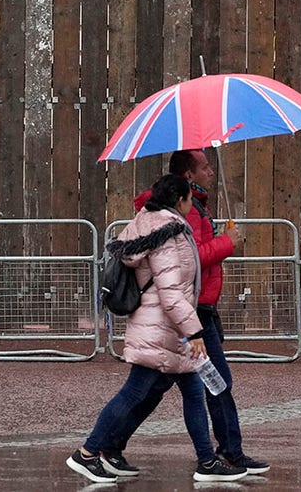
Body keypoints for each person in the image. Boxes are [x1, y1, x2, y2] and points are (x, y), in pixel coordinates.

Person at [65, 174, 248, 484]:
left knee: (192, 393)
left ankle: (206, 460)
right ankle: (86, 453)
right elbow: (171, 292)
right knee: (133, 393)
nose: (192, 205)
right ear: (180, 200)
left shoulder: (148, 223)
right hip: (163, 331)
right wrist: (196, 332)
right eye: (190, 199)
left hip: (163, 329)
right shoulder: (168, 233)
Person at [99, 149, 270, 477]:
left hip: (190, 311)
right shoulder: (182, 213)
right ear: (187, 178)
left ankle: (111, 445)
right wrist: (227, 243)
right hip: (191, 314)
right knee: (211, 383)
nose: (210, 172)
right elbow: (185, 263)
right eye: (205, 167)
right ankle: (224, 455)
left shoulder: (192, 206)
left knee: (158, 389)